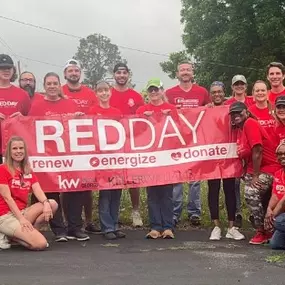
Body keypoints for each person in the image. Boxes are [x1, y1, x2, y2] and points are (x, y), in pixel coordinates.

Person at [29, 72, 90, 242]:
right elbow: (29, 129)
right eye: (49, 83)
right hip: (47, 156)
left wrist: (78, 118)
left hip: (69, 155)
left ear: (59, 85)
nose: (52, 86)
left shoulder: (69, 104)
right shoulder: (37, 105)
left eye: (55, 83)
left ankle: (75, 228)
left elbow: (78, 128)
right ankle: (59, 230)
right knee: (50, 190)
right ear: (44, 86)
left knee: (73, 190)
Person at [165, 61, 210, 227]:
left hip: (195, 140)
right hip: (176, 141)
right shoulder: (169, 93)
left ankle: (194, 213)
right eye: (182, 70)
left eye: (188, 70)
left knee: (195, 179)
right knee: (177, 178)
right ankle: (175, 213)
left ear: (193, 72)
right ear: (177, 74)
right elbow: (163, 113)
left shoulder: (202, 92)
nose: (185, 72)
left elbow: (210, 112)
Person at [229, 101, 280, 244]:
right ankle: (267, 227)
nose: (235, 115)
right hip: (257, 169)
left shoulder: (250, 123)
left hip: (270, 169)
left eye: (238, 112)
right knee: (249, 186)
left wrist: (255, 176)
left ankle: (262, 231)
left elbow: (257, 150)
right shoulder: (241, 129)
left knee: (251, 191)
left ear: (246, 111)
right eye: (232, 114)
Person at [62, 59, 100, 235]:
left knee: (87, 186)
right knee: (65, 185)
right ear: (65, 74)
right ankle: (66, 220)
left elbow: (97, 115)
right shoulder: (60, 91)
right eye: (70, 71)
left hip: (86, 145)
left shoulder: (90, 93)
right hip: (64, 145)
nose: (74, 73)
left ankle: (89, 221)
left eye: (76, 70)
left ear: (80, 74)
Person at [0, 136, 58, 250]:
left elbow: (37, 190)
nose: (18, 151)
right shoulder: (3, 169)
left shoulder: (27, 170)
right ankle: (13, 234)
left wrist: (46, 203)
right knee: (40, 244)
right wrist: (21, 220)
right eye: (15, 149)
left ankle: (19, 234)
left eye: (21, 148)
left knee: (52, 204)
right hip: (6, 216)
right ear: (9, 152)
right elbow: (8, 198)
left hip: (22, 212)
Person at [137, 78, 175, 239]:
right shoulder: (142, 110)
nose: (154, 93)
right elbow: (136, 132)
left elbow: (181, 130)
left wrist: (170, 117)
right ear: (147, 92)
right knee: (152, 194)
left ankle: (167, 227)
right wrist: (144, 119)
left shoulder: (171, 108)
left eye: (156, 89)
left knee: (167, 194)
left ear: (162, 91)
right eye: (151, 90)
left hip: (167, 157)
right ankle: (155, 227)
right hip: (150, 158)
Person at [207, 82, 245, 241]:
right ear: (210, 94)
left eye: (220, 92)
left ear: (224, 93)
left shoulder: (231, 108)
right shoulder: (206, 110)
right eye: (214, 92)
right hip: (211, 155)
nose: (217, 95)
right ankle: (216, 226)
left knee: (230, 189)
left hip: (229, 155)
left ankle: (231, 227)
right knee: (213, 189)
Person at [89, 80, 126, 240]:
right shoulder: (92, 111)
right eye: (100, 91)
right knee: (105, 194)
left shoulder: (117, 111)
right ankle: (107, 227)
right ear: (96, 93)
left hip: (116, 159)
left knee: (116, 194)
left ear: (110, 92)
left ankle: (115, 225)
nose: (104, 93)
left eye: (106, 90)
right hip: (101, 159)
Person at [110, 62, 144, 227]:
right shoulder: (107, 93)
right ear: (114, 75)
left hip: (131, 143)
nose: (121, 75)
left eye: (124, 72)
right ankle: (113, 213)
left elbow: (144, 119)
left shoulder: (136, 96)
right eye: (118, 73)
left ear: (128, 75)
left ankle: (135, 211)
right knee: (113, 179)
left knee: (133, 180)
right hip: (111, 144)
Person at [225, 75, 254, 227]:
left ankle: (253, 213)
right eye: (236, 84)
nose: (239, 86)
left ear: (246, 86)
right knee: (235, 181)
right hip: (233, 145)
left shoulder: (252, 101)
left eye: (242, 84)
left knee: (251, 180)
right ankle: (237, 212)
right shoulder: (227, 104)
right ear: (232, 87)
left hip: (250, 145)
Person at [0, 54, 31, 164]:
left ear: (13, 70)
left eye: (9, 68)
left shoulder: (22, 94)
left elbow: (30, 121)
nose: (6, 71)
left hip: (15, 149)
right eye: (2, 68)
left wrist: (22, 118)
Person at [264, 142, 285, 249]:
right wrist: (268, 209)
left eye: (284, 153)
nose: (282, 156)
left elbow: (284, 200)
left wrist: (272, 216)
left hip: (281, 215)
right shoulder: (278, 173)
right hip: (282, 214)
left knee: (278, 222)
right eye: (279, 154)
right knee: (275, 244)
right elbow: (275, 195)